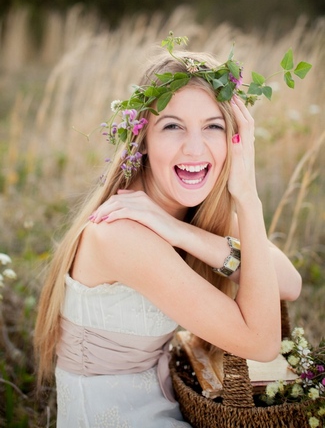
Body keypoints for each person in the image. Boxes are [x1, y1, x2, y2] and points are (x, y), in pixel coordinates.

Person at [34, 34, 302, 427]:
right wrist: (240, 207)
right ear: (143, 138)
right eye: (174, 126)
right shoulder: (120, 234)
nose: (195, 149)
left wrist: (197, 226)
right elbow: (262, 344)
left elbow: (289, 282)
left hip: (164, 401)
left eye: (213, 127)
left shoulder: (183, 209)